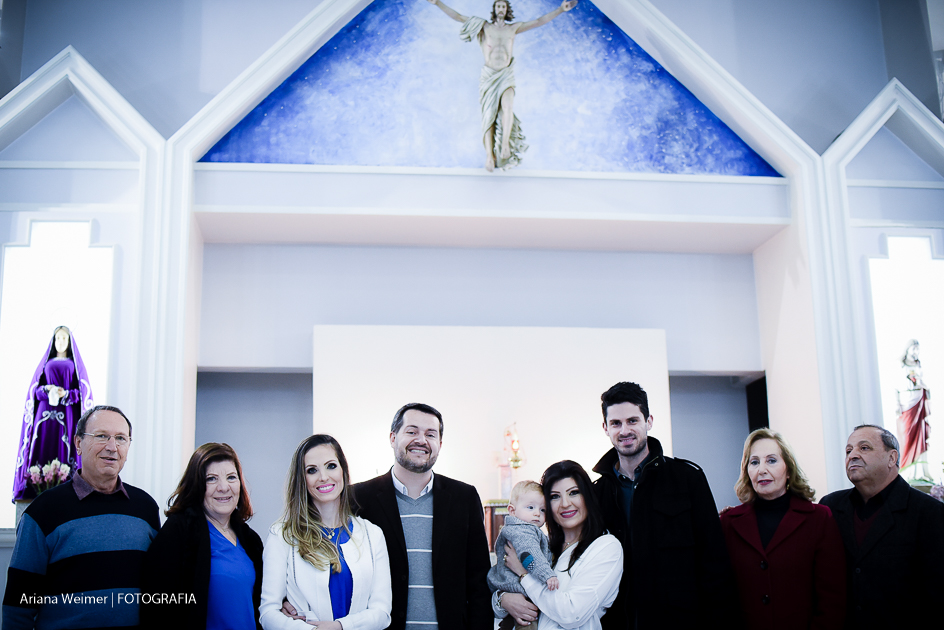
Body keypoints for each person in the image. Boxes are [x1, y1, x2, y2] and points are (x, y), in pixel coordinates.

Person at [2, 405, 160, 629]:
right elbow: (18, 606)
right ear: (78, 443)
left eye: (121, 438)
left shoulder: (146, 508)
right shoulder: (43, 511)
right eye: (102, 436)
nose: (112, 447)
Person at [591, 381, 733, 629]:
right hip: (617, 623)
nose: (625, 430)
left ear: (649, 421)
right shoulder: (596, 493)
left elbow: (715, 563)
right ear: (605, 428)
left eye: (632, 420)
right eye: (616, 423)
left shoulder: (688, 479)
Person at [352, 403, 492, 630]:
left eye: (430, 434)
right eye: (412, 431)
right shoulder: (358, 498)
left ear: (440, 444)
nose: (421, 440)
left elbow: (479, 580)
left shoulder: (464, 497)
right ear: (393, 438)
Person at [427, 0, 578, 171]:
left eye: (503, 7)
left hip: (506, 74)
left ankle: (505, 144)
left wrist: (560, 10)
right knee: (488, 115)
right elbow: (458, 17)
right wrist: (438, 3)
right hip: (489, 76)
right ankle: (489, 156)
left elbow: (538, 21)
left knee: (508, 106)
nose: (500, 9)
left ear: (507, 10)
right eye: (498, 6)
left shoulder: (513, 28)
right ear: (494, 9)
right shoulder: (484, 27)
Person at [262, 434, 392, 630]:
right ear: (302, 479)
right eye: (312, 470)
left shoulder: (373, 535)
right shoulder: (282, 535)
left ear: (343, 471)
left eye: (331, 466)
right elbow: (268, 613)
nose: (323, 477)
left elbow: (381, 613)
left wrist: (340, 627)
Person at [820, 424, 944, 628]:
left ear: (892, 458)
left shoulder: (929, 512)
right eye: (848, 451)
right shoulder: (830, 507)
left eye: (864, 448)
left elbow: (937, 592)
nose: (852, 455)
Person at [720, 429, 846, 629]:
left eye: (771, 461)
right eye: (754, 462)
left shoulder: (819, 518)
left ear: (788, 470)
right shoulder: (728, 522)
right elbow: (720, 594)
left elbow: (833, 597)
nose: (762, 469)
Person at [141, 442, 263, 629]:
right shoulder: (179, 531)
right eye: (211, 479)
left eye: (231, 477)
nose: (224, 487)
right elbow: (156, 605)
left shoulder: (251, 540)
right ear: (197, 485)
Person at [497, 461, 622, 630]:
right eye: (555, 496)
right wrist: (503, 599)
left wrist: (524, 574)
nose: (565, 504)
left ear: (587, 496)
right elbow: (499, 580)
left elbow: (571, 613)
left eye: (574, 493)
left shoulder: (606, 547)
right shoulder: (542, 545)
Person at [12, 326, 95, 502]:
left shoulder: (74, 365)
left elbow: (80, 393)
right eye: (58, 338)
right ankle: (37, 483)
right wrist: (47, 389)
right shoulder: (45, 364)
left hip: (67, 413)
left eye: (64, 338)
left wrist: (66, 394)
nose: (60, 342)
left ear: (69, 342)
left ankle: (65, 485)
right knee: (42, 443)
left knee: (65, 444)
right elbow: (35, 391)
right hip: (44, 413)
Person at [488, 480, 558, 628]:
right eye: (530, 507)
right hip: (519, 590)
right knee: (528, 622)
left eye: (543, 510)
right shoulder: (523, 532)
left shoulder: (522, 529)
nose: (537, 513)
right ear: (512, 511)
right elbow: (530, 557)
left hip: (515, 588)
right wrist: (547, 575)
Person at [895, 339, 931, 476]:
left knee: (920, 436)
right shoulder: (900, 366)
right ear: (908, 349)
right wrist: (897, 403)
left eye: (917, 349)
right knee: (907, 436)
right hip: (906, 403)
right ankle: (908, 471)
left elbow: (923, 382)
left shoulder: (918, 365)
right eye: (914, 348)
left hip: (918, 401)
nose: (916, 352)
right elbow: (895, 386)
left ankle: (921, 472)